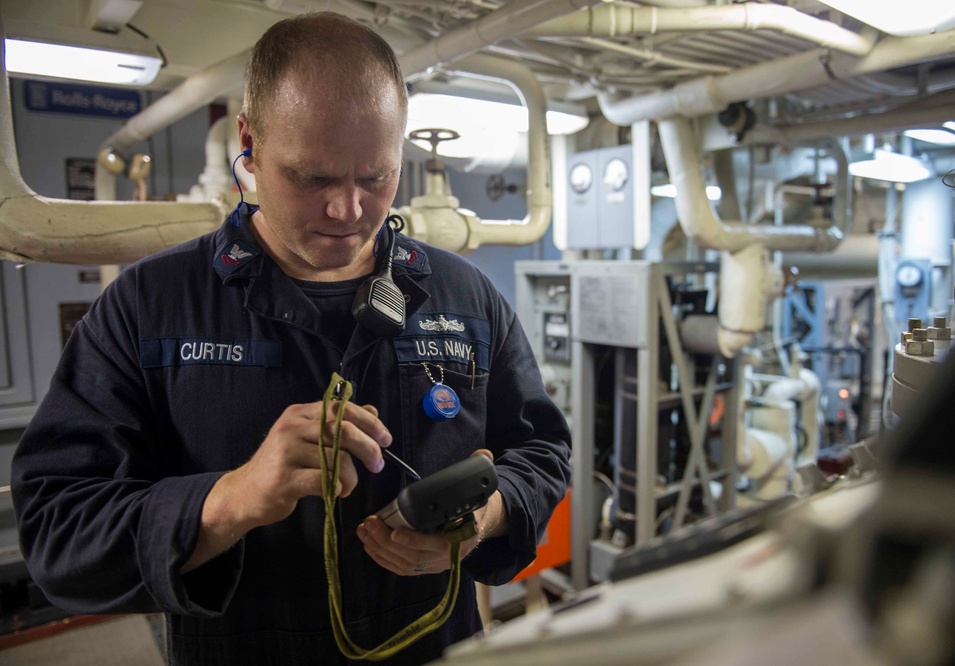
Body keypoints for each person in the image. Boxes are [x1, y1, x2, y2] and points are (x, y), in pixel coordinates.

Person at [11, 12, 571, 666]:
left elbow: (541, 451)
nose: (347, 210)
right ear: (247, 141)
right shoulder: (148, 308)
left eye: (375, 178)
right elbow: (58, 532)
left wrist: (493, 513)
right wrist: (229, 501)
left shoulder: (465, 297)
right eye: (313, 177)